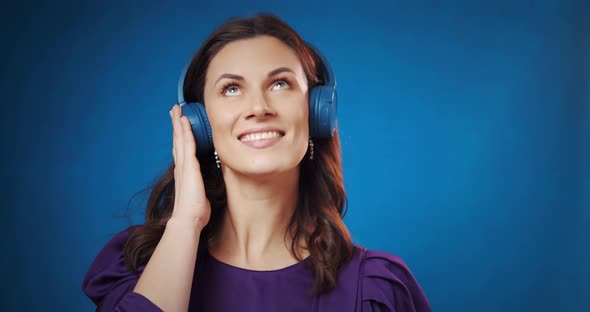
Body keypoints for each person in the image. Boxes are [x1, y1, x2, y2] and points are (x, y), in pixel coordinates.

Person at [82, 13, 432, 312]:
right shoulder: (137, 270)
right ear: (199, 123)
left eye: (280, 84)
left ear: (317, 113)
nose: (259, 107)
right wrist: (186, 223)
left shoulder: (375, 290)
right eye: (231, 89)